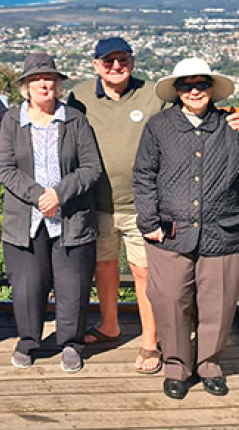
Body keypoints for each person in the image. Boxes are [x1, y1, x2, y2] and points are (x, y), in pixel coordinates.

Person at [133, 58, 239, 400]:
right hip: (169, 231)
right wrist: (149, 222)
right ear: (176, 91)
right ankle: (177, 368)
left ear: (212, 88)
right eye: (186, 85)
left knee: (218, 304)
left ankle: (210, 366)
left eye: (201, 84)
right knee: (169, 301)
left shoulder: (232, 125)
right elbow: (144, 175)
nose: (194, 91)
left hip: (222, 231)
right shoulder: (158, 127)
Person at [0, 52, 101, 374]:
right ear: (26, 86)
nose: (44, 84)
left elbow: (91, 167)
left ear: (57, 84)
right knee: (28, 286)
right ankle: (29, 341)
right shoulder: (12, 121)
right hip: (25, 219)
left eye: (49, 79)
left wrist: (59, 193)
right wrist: (39, 196)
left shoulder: (75, 120)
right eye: (36, 79)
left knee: (73, 286)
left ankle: (71, 343)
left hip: (71, 218)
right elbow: (5, 167)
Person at [66, 37, 165, 373]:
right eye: (108, 61)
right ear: (96, 65)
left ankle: (150, 342)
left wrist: (227, 119)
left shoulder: (152, 93)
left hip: (143, 204)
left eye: (122, 60)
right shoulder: (80, 96)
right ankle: (110, 325)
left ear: (132, 62)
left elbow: (187, 115)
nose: (116, 67)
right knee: (104, 266)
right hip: (96, 204)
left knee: (144, 272)